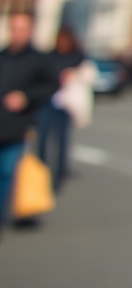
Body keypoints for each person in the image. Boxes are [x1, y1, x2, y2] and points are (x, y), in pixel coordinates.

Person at [0, 12, 59, 231]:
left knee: (7, 172)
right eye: (14, 28)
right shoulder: (3, 56)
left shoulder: (39, 59)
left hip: (19, 125)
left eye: (22, 29)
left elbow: (51, 86)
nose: (17, 33)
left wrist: (26, 97)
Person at [37, 27, 92, 193]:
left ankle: (58, 177)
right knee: (43, 140)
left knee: (61, 141)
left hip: (66, 105)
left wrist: (73, 74)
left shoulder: (78, 58)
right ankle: (41, 175)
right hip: (48, 102)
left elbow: (89, 76)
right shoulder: (50, 57)